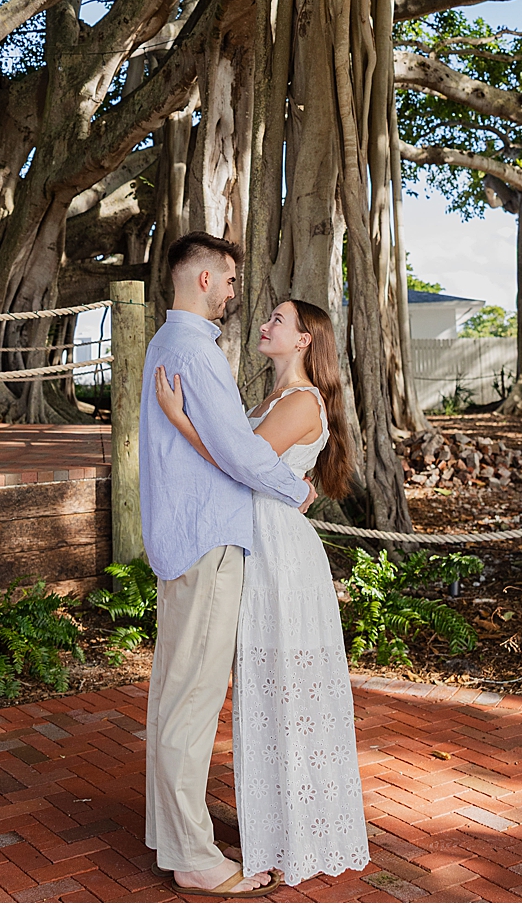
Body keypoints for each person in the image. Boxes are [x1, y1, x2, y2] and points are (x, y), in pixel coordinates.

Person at [153, 297, 372, 890]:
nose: (264, 325)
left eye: (279, 320)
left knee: (288, 687)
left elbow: (237, 462)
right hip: (257, 539)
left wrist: (178, 418)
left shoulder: (302, 401)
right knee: (263, 686)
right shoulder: (269, 399)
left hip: (281, 552)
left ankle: (305, 828)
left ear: (304, 341)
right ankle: (274, 824)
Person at [139, 232, 314, 899]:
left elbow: (220, 439)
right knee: (191, 703)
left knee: (171, 697)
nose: (238, 294)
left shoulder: (168, 342)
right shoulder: (194, 350)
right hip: (208, 540)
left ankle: (172, 835)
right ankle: (194, 858)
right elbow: (239, 451)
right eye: (233, 282)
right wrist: (296, 491)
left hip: (183, 538)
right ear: (205, 278)